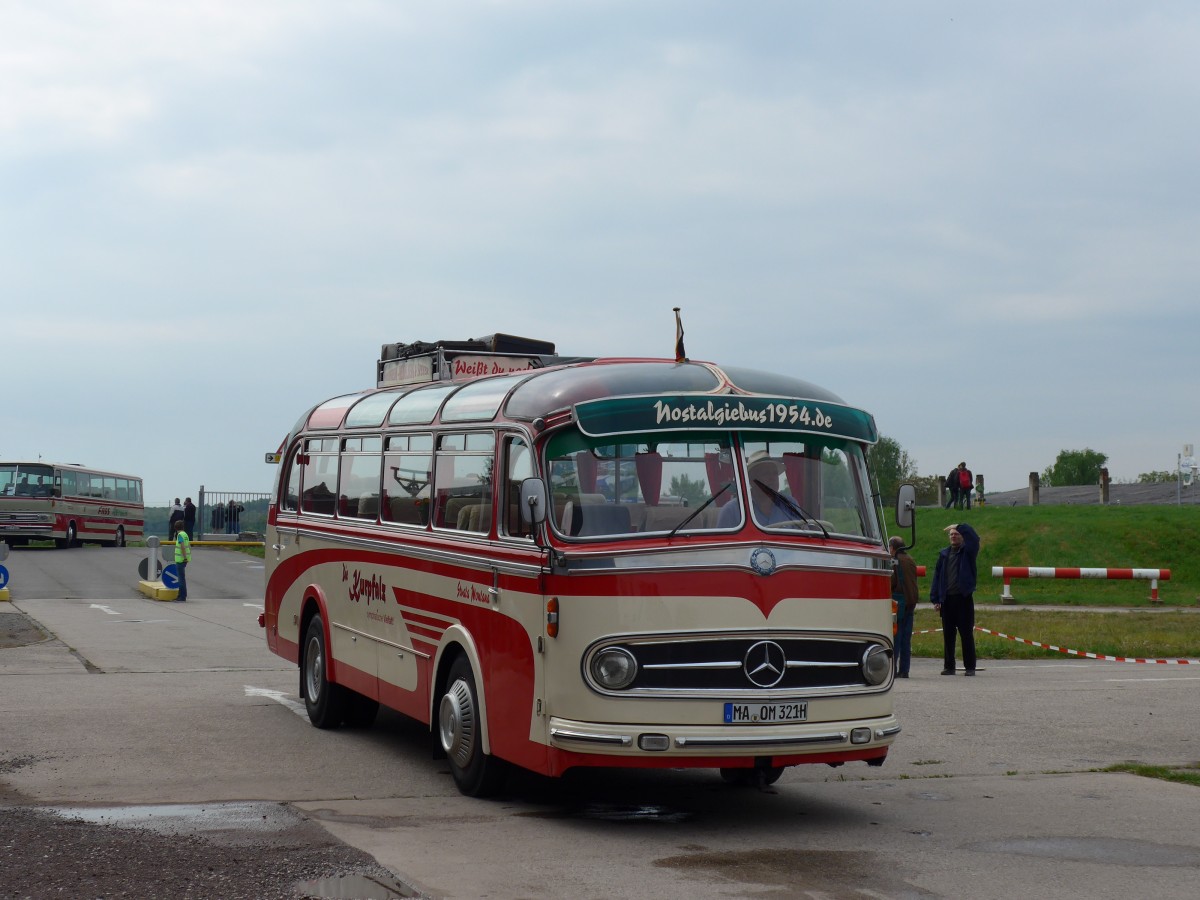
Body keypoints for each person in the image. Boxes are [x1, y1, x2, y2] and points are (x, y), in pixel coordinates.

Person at [929, 522, 980, 675]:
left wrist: (959, 526)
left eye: (956, 534)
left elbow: (974, 538)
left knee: (966, 635)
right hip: (947, 600)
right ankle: (949, 667)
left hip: (963, 599)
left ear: (962, 537)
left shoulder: (968, 552)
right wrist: (935, 598)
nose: (953, 536)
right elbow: (937, 577)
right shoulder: (944, 554)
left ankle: (970, 668)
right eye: (951, 534)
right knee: (948, 636)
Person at [717, 451, 803, 528]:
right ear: (751, 480)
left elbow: (802, 536)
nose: (772, 478)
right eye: (765, 473)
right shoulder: (731, 510)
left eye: (775, 473)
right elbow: (722, 541)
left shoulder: (790, 504)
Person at [889, 536, 919, 678]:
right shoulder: (910, 559)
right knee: (906, 639)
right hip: (911, 602)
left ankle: (892, 669)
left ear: (892, 547)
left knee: (896, 637)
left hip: (898, 602)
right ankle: (904, 670)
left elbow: (892, 581)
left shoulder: (894, 560)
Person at [174, 522, 191, 602]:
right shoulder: (185, 534)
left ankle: (182, 596)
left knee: (181, 578)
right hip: (185, 559)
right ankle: (182, 595)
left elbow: (183, 547)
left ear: (175, 528)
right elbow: (188, 546)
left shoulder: (180, 535)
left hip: (181, 559)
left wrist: (184, 557)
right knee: (182, 577)